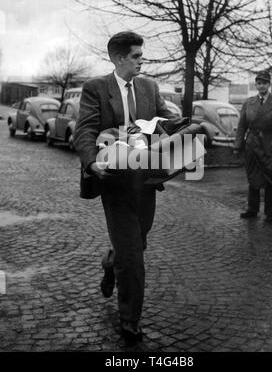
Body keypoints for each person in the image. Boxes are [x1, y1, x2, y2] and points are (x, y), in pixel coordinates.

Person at [74, 31, 176, 342]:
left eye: (141, 56)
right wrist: (93, 163)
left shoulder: (149, 86)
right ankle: (130, 320)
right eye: (136, 56)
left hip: (146, 182)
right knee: (133, 256)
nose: (142, 61)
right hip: (115, 183)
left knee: (136, 244)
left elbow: (165, 119)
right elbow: (85, 130)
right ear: (119, 59)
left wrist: (180, 124)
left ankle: (110, 261)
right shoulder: (96, 89)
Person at [234, 70, 272, 222]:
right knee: (253, 178)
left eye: (264, 83)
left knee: (271, 179)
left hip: (270, 146)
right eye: (259, 83)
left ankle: (270, 213)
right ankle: (252, 209)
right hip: (252, 145)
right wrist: (238, 146)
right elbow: (242, 127)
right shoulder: (248, 103)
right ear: (256, 85)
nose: (261, 86)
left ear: (269, 84)